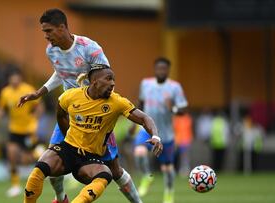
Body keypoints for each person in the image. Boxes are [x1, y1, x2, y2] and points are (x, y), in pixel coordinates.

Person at [18, 8, 143, 203]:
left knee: (115, 169)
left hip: (96, 117)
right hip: (70, 113)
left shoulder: (90, 49)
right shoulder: (51, 51)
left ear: (62, 28)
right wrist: (39, 92)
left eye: (48, 31)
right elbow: (61, 73)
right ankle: (62, 199)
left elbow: (106, 78)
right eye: (44, 31)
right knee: (52, 160)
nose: (46, 36)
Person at [23, 64, 163, 203]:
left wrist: (155, 136)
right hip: (68, 148)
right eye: (108, 79)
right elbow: (60, 114)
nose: (112, 83)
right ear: (95, 81)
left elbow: (145, 118)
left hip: (90, 157)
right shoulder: (70, 96)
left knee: (106, 175)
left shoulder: (117, 102)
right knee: (39, 170)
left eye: (113, 80)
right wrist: (67, 136)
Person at [133, 57, 188, 203]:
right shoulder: (146, 84)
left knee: (167, 168)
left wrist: (173, 108)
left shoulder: (175, 87)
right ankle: (146, 177)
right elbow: (141, 103)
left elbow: (183, 109)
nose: (161, 71)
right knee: (139, 151)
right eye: (159, 68)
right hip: (147, 129)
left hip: (166, 133)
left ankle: (169, 193)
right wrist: (133, 124)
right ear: (155, 69)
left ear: (168, 70)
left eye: (164, 69)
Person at [0, 71, 44, 197]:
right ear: (9, 80)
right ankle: (15, 186)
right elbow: (1, 107)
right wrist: (0, 112)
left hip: (29, 129)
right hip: (14, 129)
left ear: (20, 79)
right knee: (11, 154)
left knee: (31, 157)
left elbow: (39, 106)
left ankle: (43, 156)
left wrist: (35, 119)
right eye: (12, 79)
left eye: (16, 79)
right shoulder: (5, 92)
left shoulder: (27, 89)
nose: (14, 81)